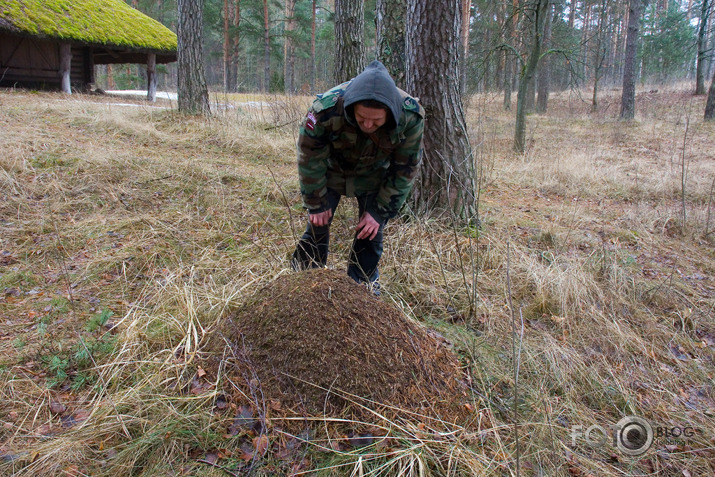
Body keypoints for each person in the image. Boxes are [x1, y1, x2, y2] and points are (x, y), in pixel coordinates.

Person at [291, 60, 425, 292]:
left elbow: (405, 170)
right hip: (332, 171)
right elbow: (309, 157)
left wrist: (378, 212)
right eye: (362, 118)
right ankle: (303, 282)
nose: (368, 124)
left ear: (390, 113)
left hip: (375, 175)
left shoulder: (409, 117)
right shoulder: (326, 109)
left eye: (376, 121)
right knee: (317, 224)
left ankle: (362, 285)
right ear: (351, 107)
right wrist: (316, 203)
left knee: (371, 231)